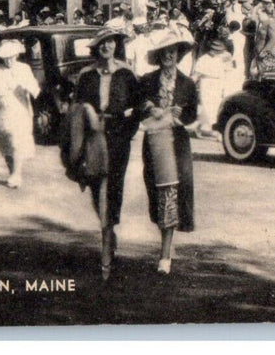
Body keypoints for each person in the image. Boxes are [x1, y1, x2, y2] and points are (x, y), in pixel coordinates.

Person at [67, 28, 140, 280]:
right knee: (97, 186)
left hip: (118, 138)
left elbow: (137, 107)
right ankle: (108, 233)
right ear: (95, 48)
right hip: (94, 139)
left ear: (116, 45)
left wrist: (128, 131)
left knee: (113, 187)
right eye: (102, 43)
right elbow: (76, 109)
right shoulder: (87, 75)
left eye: (110, 42)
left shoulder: (127, 73)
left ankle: (107, 238)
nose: (107, 47)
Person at [137, 30, 197, 275]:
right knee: (159, 192)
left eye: (173, 51)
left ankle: (165, 253)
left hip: (177, 142)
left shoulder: (187, 83)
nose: (169, 55)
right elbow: (138, 102)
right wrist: (149, 108)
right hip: (155, 141)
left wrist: (182, 115)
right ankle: (165, 249)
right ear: (159, 55)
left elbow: (193, 113)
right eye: (165, 51)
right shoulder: (148, 81)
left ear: (178, 54)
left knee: (172, 192)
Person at [0, 39, 41, 188]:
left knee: (17, 142)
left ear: (16, 55)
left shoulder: (24, 68)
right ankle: (12, 172)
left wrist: (26, 86)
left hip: (20, 110)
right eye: (6, 58)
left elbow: (35, 89)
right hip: (3, 112)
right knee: (6, 144)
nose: (9, 60)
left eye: (12, 57)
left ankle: (17, 174)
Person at [191, 37, 232, 139]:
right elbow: (196, 75)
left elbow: (228, 74)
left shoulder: (225, 59)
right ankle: (207, 128)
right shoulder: (203, 59)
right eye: (215, 50)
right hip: (206, 83)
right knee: (207, 105)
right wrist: (189, 84)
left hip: (219, 83)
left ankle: (211, 127)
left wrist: (226, 87)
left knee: (217, 105)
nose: (216, 52)